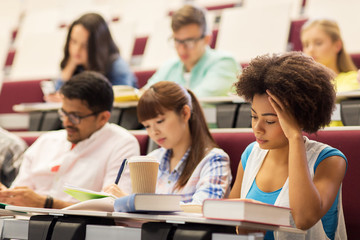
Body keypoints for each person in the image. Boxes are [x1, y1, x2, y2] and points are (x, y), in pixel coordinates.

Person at [229, 52, 347, 240]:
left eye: (270, 121)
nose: (257, 128)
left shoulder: (330, 160)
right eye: (253, 116)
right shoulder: (250, 154)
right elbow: (230, 217)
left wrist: (294, 137)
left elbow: (303, 219)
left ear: (299, 119)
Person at [0, 71, 140, 208]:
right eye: (63, 113)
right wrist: (7, 196)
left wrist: (47, 204)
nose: (66, 122)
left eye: (75, 116)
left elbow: (113, 207)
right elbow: (16, 198)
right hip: (23, 225)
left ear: (103, 118)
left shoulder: (122, 143)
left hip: (81, 229)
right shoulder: (46, 141)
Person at [105, 81, 232, 205]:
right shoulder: (153, 159)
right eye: (147, 126)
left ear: (185, 113)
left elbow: (202, 209)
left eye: (160, 121)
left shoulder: (214, 159)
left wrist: (137, 203)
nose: (154, 132)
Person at [144, 4, 240, 98]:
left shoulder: (225, 62)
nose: (181, 49)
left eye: (189, 42)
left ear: (207, 39)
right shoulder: (169, 67)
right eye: (177, 41)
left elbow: (196, 102)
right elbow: (144, 96)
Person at [45, 13, 137, 102]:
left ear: (99, 46)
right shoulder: (75, 64)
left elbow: (118, 103)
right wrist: (67, 71)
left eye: (85, 45)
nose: (76, 50)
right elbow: (58, 97)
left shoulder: (118, 67)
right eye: (73, 42)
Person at [301, 18, 358, 92]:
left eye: (318, 43)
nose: (310, 49)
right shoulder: (302, 85)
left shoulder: (354, 80)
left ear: (337, 45)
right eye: (306, 45)